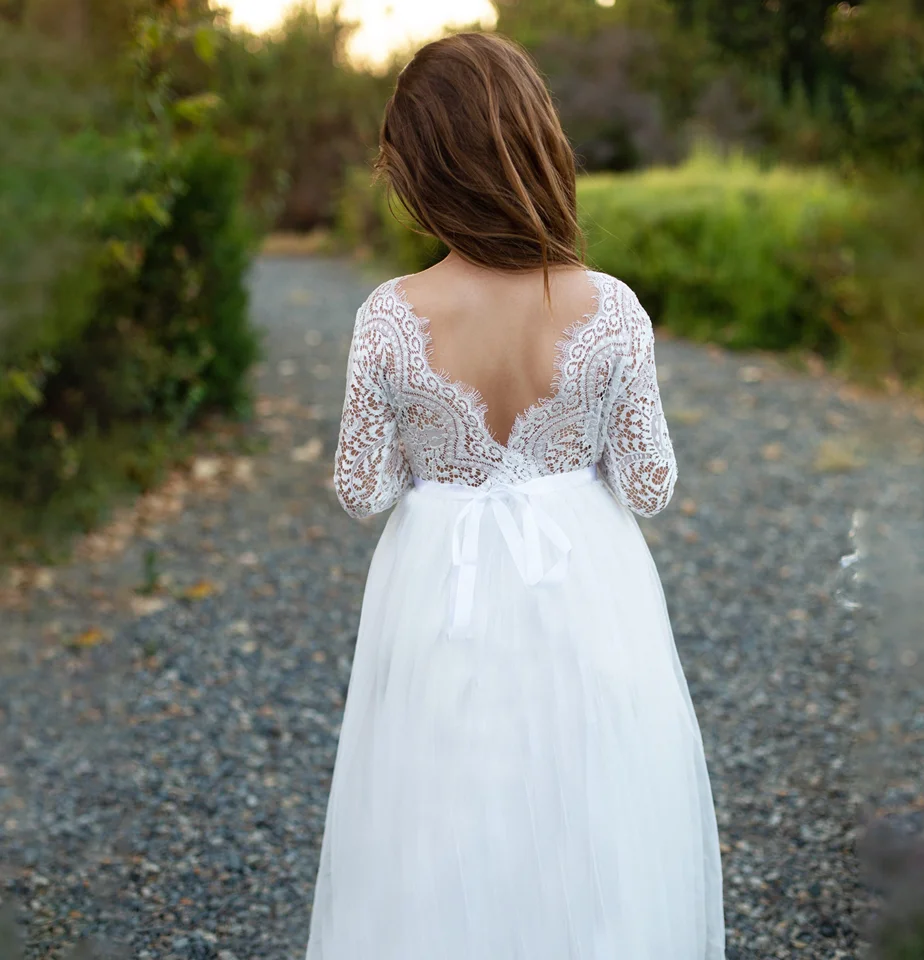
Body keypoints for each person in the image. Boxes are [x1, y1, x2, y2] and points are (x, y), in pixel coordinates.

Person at [305, 31, 725, 960]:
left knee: (435, 810)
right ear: (534, 144)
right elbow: (651, 486)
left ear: (420, 168)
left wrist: (443, 457)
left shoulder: (390, 315)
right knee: (596, 807)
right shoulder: (610, 307)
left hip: (436, 598)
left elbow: (361, 489)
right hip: (584, 591)